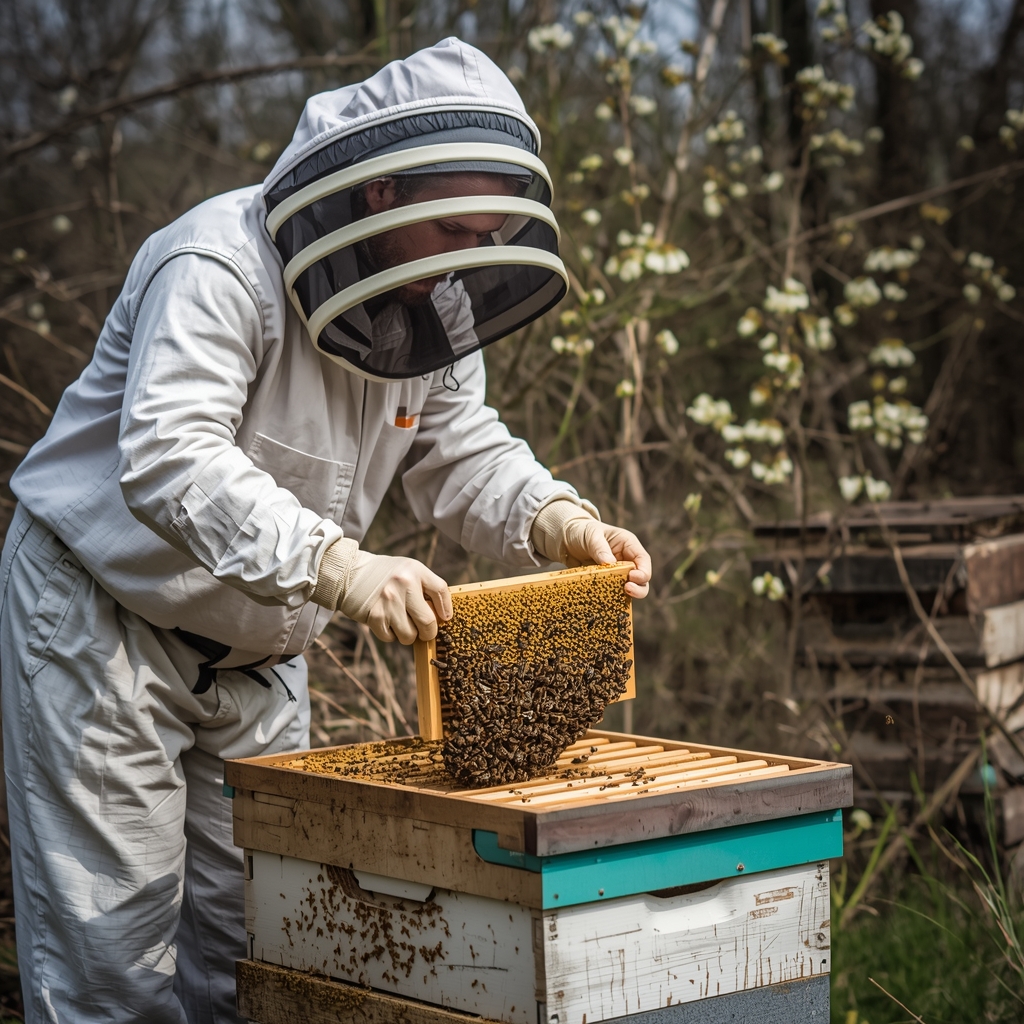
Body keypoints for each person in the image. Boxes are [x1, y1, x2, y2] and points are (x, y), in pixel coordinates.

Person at [0, 38, 651, 1024]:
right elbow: (170, 454)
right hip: (105, 624)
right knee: (113, 965)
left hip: (262, 649)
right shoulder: (216, 261)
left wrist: (551, 517)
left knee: (260, 939)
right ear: (382, 196)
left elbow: (457, 445)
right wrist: (336, 564)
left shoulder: (423, 304)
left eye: (482, 236)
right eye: (453, 232)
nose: (459, 265)